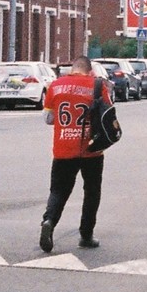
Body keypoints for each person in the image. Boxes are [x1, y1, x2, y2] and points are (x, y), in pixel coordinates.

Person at [40, 57, 108, 253]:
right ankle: (86, 235)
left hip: (63, 148)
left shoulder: (55, 85)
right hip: (92, 149)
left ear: (73, 69)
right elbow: (107, 113)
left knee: (59, 190)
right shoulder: (97, 86)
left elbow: (48, 118)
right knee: (92, 191)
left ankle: (49, 221)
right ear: (89, 70)